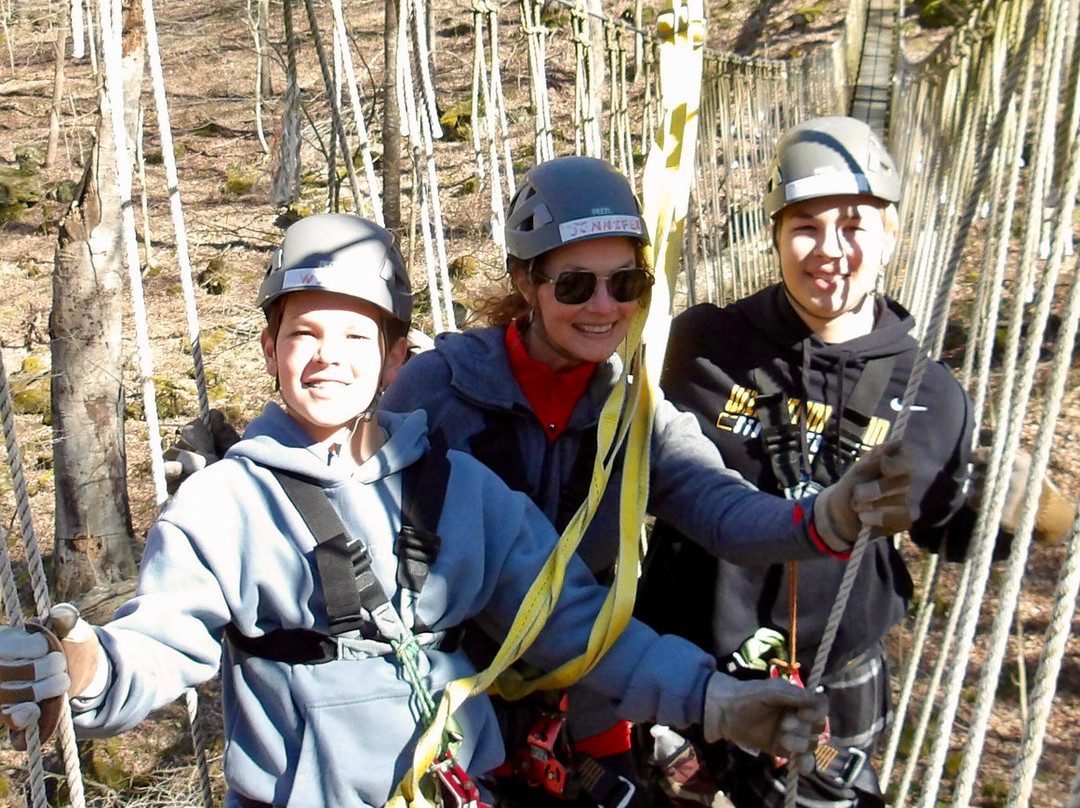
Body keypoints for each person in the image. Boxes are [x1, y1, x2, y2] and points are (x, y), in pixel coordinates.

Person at [0, 214, 837, 808]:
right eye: (304, 334)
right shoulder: (227, 507)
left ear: (398, 357)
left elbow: (581, 632)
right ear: (268, 349)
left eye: (358, 337)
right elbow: (159, 645)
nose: (330, 358)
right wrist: (83, 668)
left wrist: (715, 701)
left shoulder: (461, 490)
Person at [378, 156, 915, 808]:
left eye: (625, 282)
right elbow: (359, 495)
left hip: (589, 700)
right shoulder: (440, 393)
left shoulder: (634, 416)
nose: (605, 307)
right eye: (575, 286)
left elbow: (722, 509)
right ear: (526, 281)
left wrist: (825, 519)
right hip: (453, 703)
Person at [636, 116, 975, 808]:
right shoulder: (699, 345)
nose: (828, 250)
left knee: (825, 788)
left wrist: (1005, 505)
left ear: (890, 235)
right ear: (775, 235)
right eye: (805, 226)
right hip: (684, 669)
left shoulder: (931, 394)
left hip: (822, 693)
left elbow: (948, 524)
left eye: (853, 225)